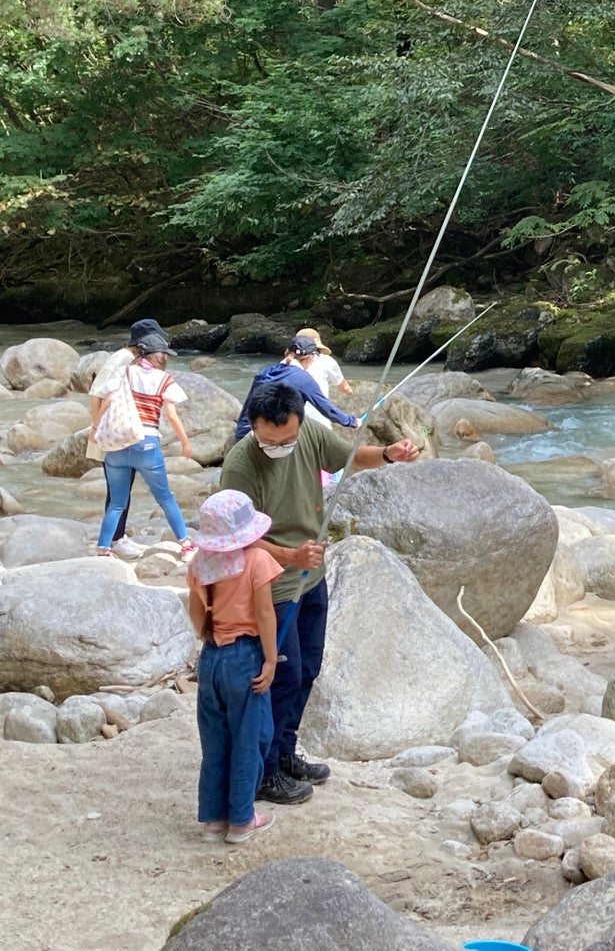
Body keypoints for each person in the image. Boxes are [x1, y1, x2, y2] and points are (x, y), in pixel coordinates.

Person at [218, 380, 419, 805]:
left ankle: (286, 752)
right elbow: (235, 538)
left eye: (287, 438)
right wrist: (289, 556)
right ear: (252, 426)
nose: (281, 446)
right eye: (270, 441)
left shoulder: (307, 432)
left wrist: (386, 455)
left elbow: (346, 456)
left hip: (312, 571)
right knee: (280, 677)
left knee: (308, 667)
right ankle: (265, 771)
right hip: (271, 581)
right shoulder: (239, 466)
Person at [186, 490, 282, 844]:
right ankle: (242, 818)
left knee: (214, 740)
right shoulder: (257, 560)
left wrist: (214, 635)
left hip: (211, 657)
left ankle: (214, 819)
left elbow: (197, 617)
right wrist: (271, 659)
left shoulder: (199, 565)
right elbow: (265, 614)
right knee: (250, 736)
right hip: (246, 655)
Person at [92, 327, 195, 560]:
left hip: (117, 445)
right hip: (146, 444)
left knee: (117, 503)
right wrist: (185, 444)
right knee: (165, 497)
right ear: (159, 356)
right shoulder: (163, 379)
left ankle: (103, 548)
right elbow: (171, 415)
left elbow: (106, 402)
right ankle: (186, 545)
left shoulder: (123, 373)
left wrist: (95, 430)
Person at [232, 335, 359, 441]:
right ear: (310, 358)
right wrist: (352, 422)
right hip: (269, 439)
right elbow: (328, 410)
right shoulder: (303, 379)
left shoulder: (266, 372)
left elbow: (248, 408)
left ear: (287, 353)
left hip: (244, 435)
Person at [294, 327, 355, 421]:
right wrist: (350, 391)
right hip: (320, 420)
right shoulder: (327, 361)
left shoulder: (287, 363)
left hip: (294, 421)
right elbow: (344, 387)